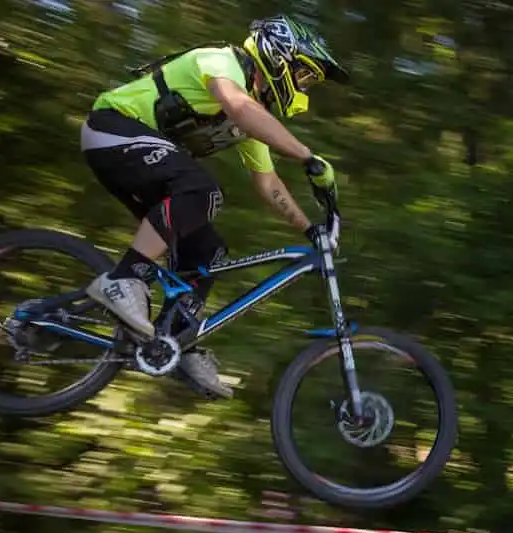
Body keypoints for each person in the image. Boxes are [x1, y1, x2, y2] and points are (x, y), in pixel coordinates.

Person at [78, 15, 350, 398]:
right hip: (111, 129)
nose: (304, 87)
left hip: (136, 157)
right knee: (202, 192)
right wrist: (307, 156)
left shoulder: (249, 116)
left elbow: (268, 183)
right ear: (280, 56)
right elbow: (239, 106)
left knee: (207, 252)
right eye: (304, 75)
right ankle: (124, 279)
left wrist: (310, 229)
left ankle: (174, 343)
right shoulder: (222, 61)